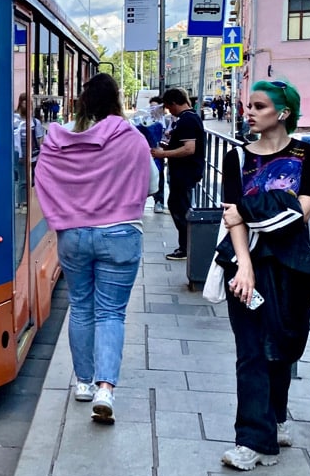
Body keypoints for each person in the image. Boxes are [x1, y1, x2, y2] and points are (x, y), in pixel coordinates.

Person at [217, 79, 310, 470]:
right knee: (250, 352)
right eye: (249, 106)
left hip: (291, 265)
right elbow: (233, 218)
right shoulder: (236, 158)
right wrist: (243, 264)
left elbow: (302, 212)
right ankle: (253, 441)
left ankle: (276, 418)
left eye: (259, 107)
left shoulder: (308, 155)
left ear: (283, 113)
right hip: (247, 262)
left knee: (282, 347)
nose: (250, 112)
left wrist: (249, 209)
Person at [34, 74, 150, 424]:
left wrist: (66, 211)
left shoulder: (59, 138)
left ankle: (83, 383)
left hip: (74, 235)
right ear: (115, 99)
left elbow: (43, 176)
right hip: (120, 233)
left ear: (83, 101)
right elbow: (153, 183)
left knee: (81, 307)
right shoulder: (131, 137)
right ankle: (105, 389)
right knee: (110, 313)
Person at [152, 88, 204, 261]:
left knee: (179, 207)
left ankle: (186, 247)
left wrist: (163, 154)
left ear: (174, 103)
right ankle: (186, 246)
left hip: (185, 172)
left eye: (168, 106)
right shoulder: (188, 118)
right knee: (177, 205)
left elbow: (189, 149)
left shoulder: (187, 120)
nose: (168, 110)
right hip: (184, 171)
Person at [135, 97, 166, 213]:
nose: (152, 109)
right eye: (151, 106)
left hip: (158, 152)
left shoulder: (164, 120)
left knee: (159, 176)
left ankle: (159, 201)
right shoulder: (144, 119)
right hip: (147, 152)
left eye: (155, 106)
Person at [13, 92, 45, 200]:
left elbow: (40, 138)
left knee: (33, 179)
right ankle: (22, 202)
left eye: (29, 103)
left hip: (33, 152)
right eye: (24, 102)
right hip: (19, 151)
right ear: (20, 103)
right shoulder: (14, 119)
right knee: (22, 179)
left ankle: (29, 200)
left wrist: (41, 154)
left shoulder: (35, 122)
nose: (27, 105)